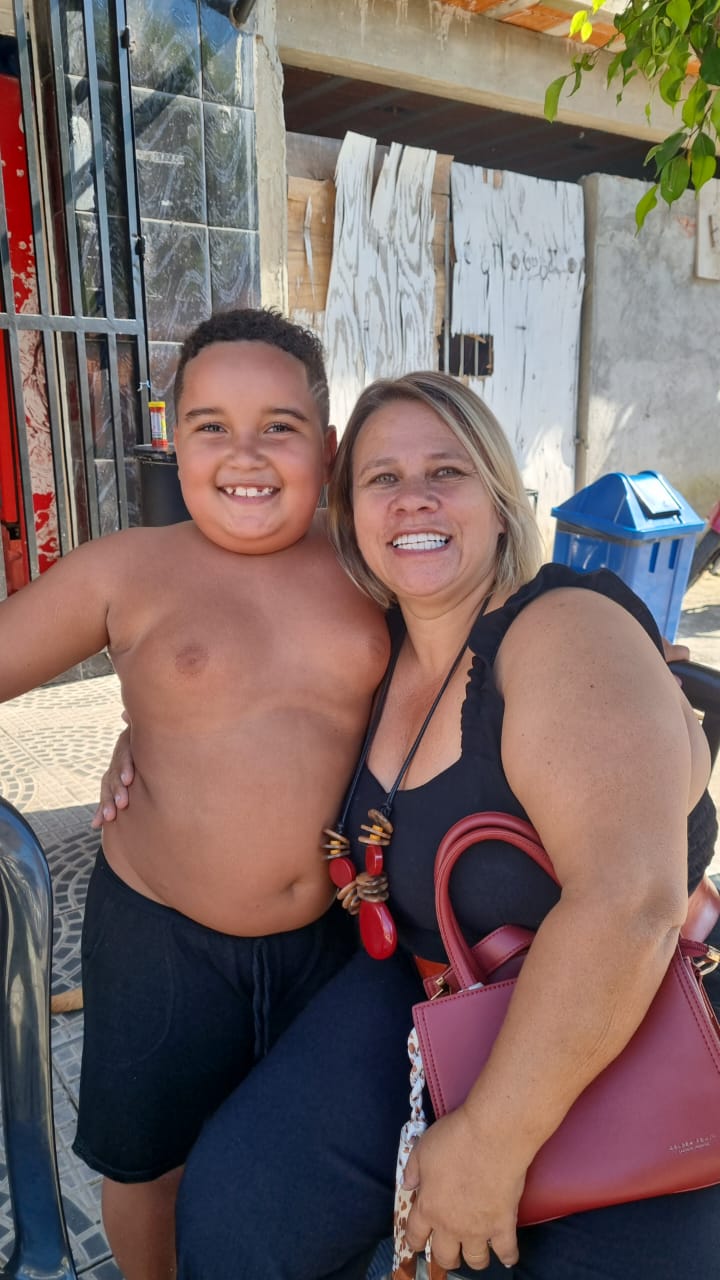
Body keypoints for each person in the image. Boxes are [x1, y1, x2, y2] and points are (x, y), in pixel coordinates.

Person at [160, 370, 718, 1280]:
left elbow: (629, 905)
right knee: (236, 1212)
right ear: (351, 519)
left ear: (498, 503)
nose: (413, 497)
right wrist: (139, 751)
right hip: (432, 1000)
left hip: (623, 1017)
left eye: (446, 472)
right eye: (382, 478)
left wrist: (489, 1143)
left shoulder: (564, 631)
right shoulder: (375, 643)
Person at [0, 308, 404, 1280]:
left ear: (328, 446)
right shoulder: (129, 568)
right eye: (211, 425)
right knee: (150, 1168)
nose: (244, 454)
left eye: (279, 426)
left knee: (301, 1167)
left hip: (335, 937)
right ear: (172, 437)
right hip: (161, 937)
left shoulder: (373, 565)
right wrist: (142, 728)